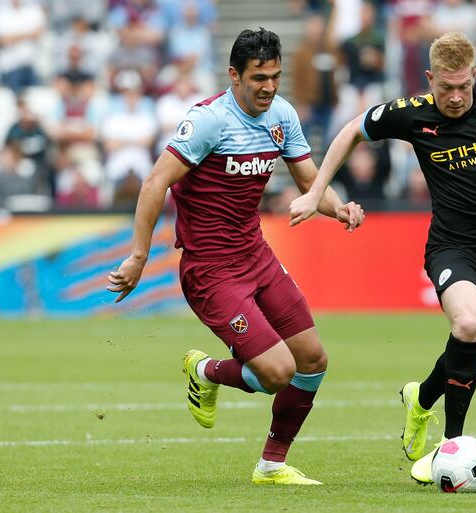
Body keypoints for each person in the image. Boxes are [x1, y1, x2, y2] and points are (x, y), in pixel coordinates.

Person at [289, 31, 476, 484]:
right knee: (466, 325)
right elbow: (352, 130)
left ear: (475, 77)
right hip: (453, 247)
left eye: (463, 86)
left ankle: (421, 397)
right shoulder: (412, 115)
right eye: (445, 87)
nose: (454, 97)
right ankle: (451, 448)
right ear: (430, 79)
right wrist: (316, 193)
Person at [107, 28, 364, 485]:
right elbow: (154, 183)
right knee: (277, 372)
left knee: (313, 360)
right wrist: (139, 256)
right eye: (259, 77)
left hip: (257, 257)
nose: (269, 87)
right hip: (210, 270)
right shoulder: (209, 121)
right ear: (234, 75)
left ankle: (271, 466)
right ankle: (204, 370)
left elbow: (309, 182)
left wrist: (338, 208)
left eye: (276, 76)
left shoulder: (281, 114)